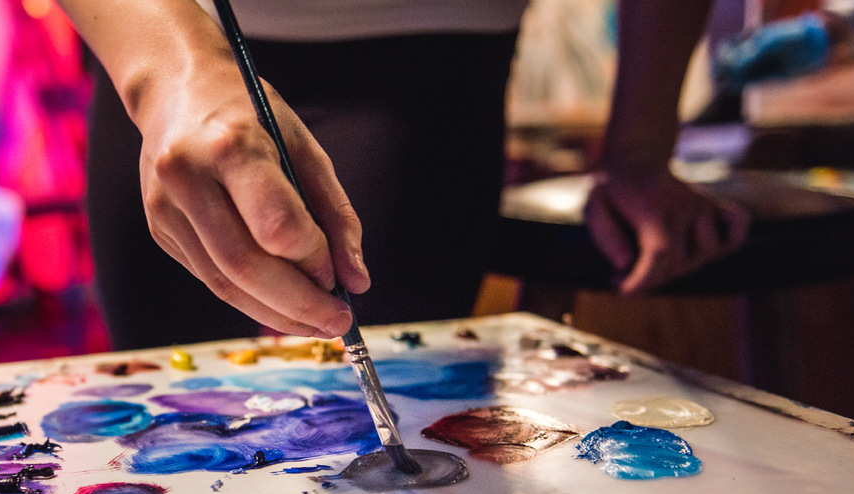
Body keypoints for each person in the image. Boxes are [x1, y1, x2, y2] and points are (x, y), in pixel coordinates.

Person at [58, 0, 752, 350]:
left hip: (435, 54)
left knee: (399, 478)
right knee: (173, 444)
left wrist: (640, 146)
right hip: (164, 32)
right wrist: (167, 72)